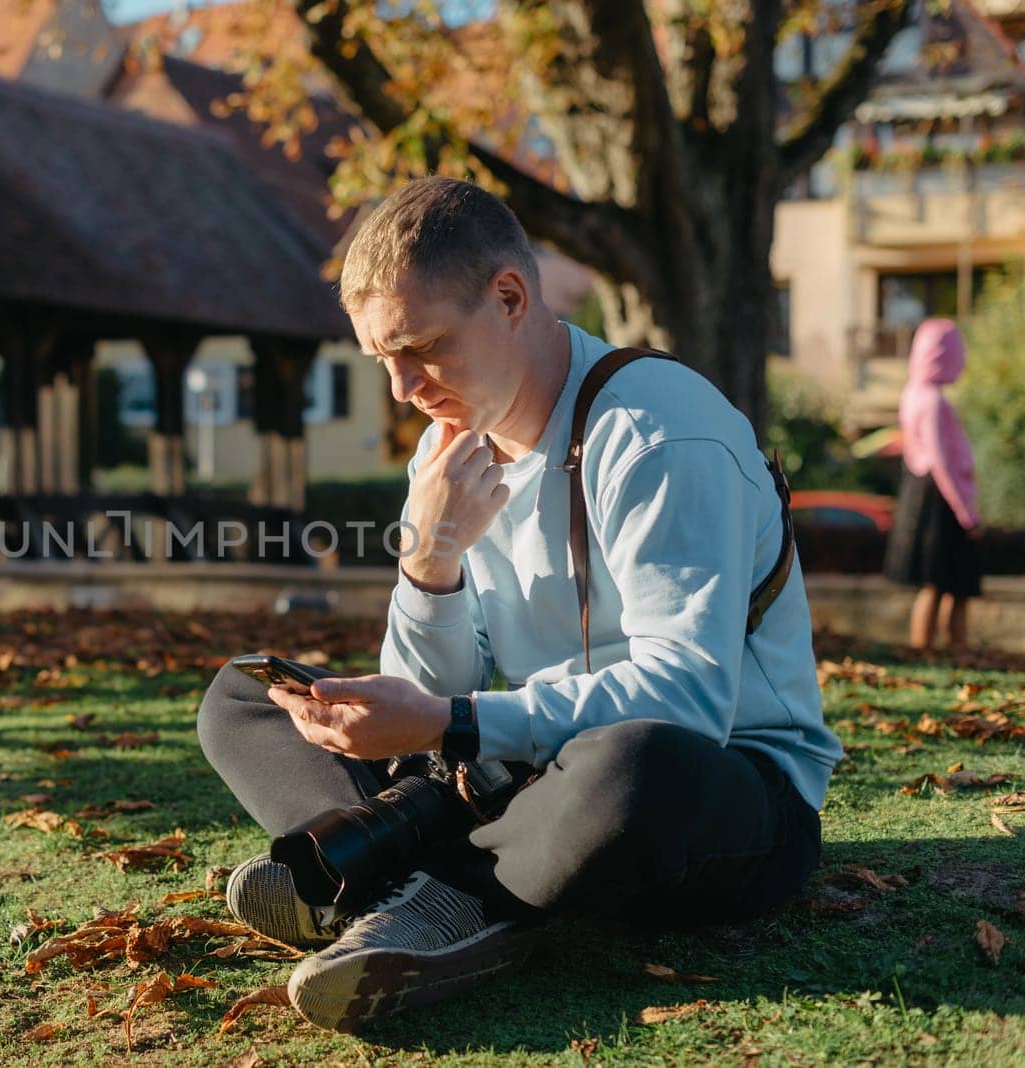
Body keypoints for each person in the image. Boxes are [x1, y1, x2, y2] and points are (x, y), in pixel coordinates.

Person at [195, 177, 842, 1032]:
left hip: (718, 787)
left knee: (636, 766)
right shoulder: (451, 442)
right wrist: (429, 566)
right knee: (248, 696)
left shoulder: (655, 432)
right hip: (512, 777)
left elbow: (691, 700)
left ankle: (438, 899)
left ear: (509, 298)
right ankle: (420, 875)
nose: (401, 388)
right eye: (380, 358)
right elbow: (431, 703)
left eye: (420, 347)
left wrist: (454, 723)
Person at [882, 318, 983, 649]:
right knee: (948, 583)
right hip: (941, 500)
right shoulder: (933, 401)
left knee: (937, 583)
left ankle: (932, 650)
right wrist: (966, 511)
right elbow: (941, 460)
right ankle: (946, 647)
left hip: (921, 492)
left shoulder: (912, 394)